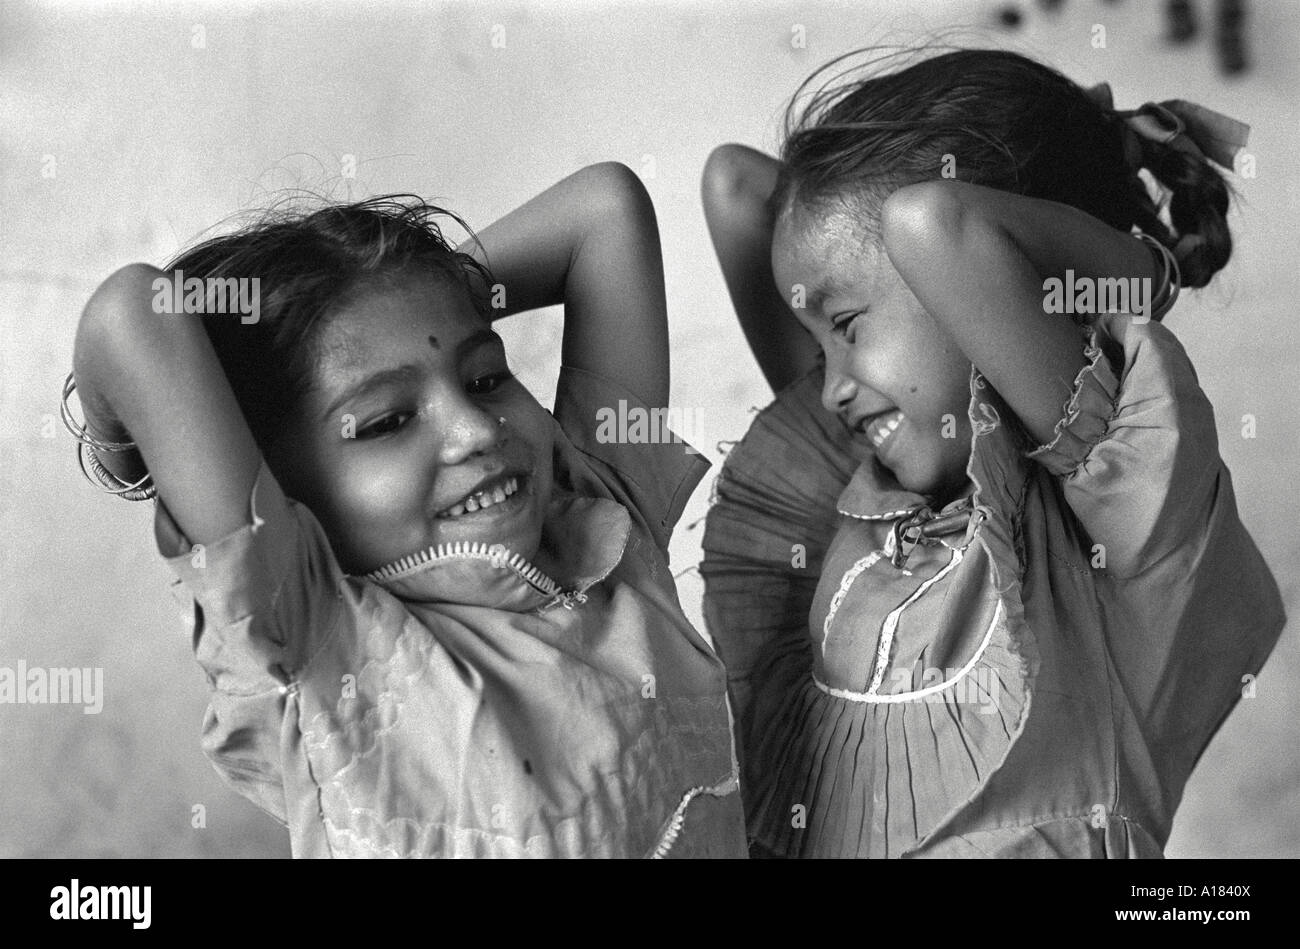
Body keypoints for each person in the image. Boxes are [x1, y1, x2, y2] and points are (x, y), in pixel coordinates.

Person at [699, 48, 1282, 858]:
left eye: (848, 326)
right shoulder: (870, 490)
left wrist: (1144, 271)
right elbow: (734, 185)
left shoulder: (1102, 503)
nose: (827, 386)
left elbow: (932, 224)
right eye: (816, 341)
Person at [65, 164, 745, 858]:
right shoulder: (316, 644)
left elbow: (605, 209)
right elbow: (133, 312)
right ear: (282, 496)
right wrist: (137, 450)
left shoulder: (601, 520)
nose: (477, 429)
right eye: (387, 421)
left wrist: (413, 291)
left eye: (485, 377)